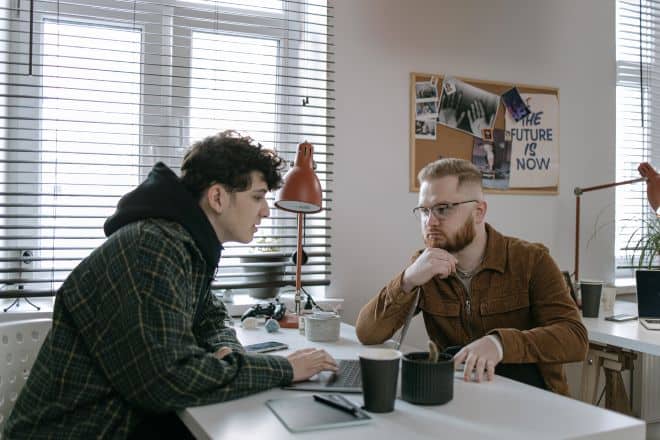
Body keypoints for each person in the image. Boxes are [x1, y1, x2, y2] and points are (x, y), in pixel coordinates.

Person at [5, 131, 337, 439]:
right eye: (257, 197)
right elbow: (168, 379)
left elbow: (212, 316)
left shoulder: (184, 245)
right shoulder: (150, 248)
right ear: (218, 197)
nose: (266, 211)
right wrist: (284, 368)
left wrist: (230, 351)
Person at [355, 158, 587, 395]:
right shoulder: (425, 266)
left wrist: (500, 344)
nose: (430, 222)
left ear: (478, 212)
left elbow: (575, 338)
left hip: (533, 400)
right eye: (424, 211)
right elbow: (367, 333)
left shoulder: (530, 260)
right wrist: (407, 280)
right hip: (460, 398)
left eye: (442, 209)